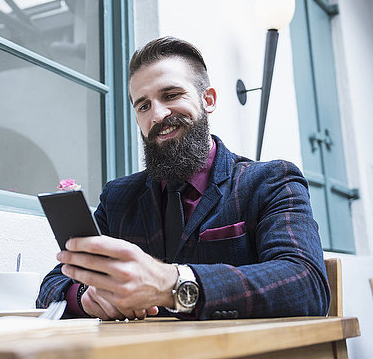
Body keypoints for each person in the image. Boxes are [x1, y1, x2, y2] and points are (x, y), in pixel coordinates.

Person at [36, 36, 330, 320]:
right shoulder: (117, 198)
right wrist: (86, 298)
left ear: (208, 100)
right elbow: (52, 285)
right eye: (143, 105)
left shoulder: (271, 181)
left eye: (171, 95)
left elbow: (306, 283)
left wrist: (173, 284)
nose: (158, 115)